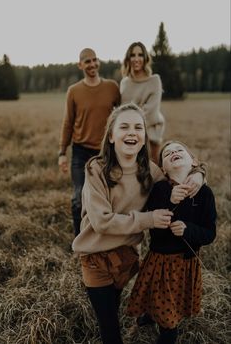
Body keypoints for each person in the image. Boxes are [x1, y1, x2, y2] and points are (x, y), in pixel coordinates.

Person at [72, 105, 205, 344]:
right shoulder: (96, 169)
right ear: (111, 136)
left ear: (144, 137)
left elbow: (178, 171)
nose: (131, 132)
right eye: (124, 127)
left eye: (138, 127)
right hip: (95, 257)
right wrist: (149, 219)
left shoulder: (150, 171)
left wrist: (198, 173)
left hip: (126, 257)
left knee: (113, 307)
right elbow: (101, 221)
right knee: (110, 329)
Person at [127, 140, 217, 344]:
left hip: (186, 263)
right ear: (164, 169)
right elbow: (153, 227)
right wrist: (171, 201)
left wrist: (189, 230)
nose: (174, 152)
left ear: (193, 161)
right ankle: (151, 314)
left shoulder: (205, 194)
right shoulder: (159, 190)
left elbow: (210, 233)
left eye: (179, 150)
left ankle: (168, 334)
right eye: (167, 153)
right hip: (160, 260)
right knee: (155, 293)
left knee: (171, 305)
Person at [58, 48, 120, 236]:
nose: (92, 64)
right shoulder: (74, 91)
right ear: (80, 65)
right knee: (79, 198)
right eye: (87, 61)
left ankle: (106, 240)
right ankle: (80, 242)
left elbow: (122, 117)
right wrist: (62, 153)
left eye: (95, 60)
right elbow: (68, 122)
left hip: (107, 152)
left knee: (109, 199)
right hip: (80, 152)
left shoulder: (112, 87)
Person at [120, 41, 165, 164]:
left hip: (149, 136)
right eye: (132, 55)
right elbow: (121, 111)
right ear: (128, 59)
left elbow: (150, 113)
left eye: (140, 55)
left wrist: (129, 124)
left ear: (145, 58)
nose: (136, 59)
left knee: (149, 176)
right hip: (126, 138)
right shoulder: (125, 83)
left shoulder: (154, 81)